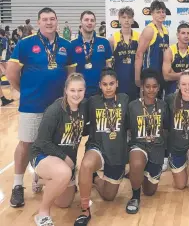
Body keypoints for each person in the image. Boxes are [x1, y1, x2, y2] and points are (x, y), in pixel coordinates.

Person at [7, 7, 76, 208]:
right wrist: (25, 90)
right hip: (32, 105)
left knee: (53, 144)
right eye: (45, 19)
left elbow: (71, 74)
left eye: (52, 19)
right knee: (26, 143)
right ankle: (18, 185)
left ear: (57, 21)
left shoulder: (66, 45)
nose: (49, 22)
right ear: (38, 22)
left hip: (58, 107)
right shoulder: (25, 44)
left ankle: (41, 176)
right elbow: (11, 72)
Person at [74, 68, 129, 226]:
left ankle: (95, 179)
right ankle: (85, 209)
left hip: (116, 153)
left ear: (117, 84)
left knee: (109, 196)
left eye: (111, 83)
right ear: (100, 85)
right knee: (86, 164)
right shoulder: (92, 102)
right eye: (105, 84)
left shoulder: (125, 100)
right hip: (97, 147)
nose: (108, 87)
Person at [30, 73, 87, 226]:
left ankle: (43, 179)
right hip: (42, 154)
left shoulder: (84, 108)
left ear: (85, 91)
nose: (76, 94)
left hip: (63, 161)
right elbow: (42, 141)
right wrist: (65, 158)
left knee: (64, 203)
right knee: (63, 174)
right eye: (72, 90)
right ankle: (42, 213)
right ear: (65, 90)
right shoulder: (54, 110)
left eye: (80, 90)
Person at [125, 69, 168, 214]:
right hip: (139, 145)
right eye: (148, 86)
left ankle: (139, 173)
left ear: (159, 88)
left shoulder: (163, 105)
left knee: (150, 191)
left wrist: (166, 154)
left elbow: (166, 129)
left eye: (154, 86)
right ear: (142, 87)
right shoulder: (132, 106)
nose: (151, 90)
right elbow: (128, 130)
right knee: (136, 163)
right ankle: (135, 197)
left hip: (156, 149)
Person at [71, 11, 112, 98]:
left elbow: (109, 67)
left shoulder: (104, 42)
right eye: (86, 20)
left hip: (100, 92)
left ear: (95, 23)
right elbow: (70, 72)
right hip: (80, 94)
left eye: (92, 20)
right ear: (81, 22)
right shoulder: (72, 44)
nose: (89, 22)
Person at [135, 0, 169, 90]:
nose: (161, 14)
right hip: (149, 74)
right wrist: (137, 77)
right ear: (152, 14)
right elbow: (139, 54)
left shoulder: (165, 31)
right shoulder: (149, 30)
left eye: (163, 12)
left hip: (162, 74)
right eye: (158, 12)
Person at [109, 7, 140, 101]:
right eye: (123, 17)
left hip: (134, 80)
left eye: (129, 17)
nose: (126, 20)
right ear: (119, 19)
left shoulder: (139, 37)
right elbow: (109, 62)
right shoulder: (112, 39)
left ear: (133, 19)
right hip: (119, 80)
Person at [163, 23, 189, 95]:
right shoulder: (169, 51)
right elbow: (166, 76)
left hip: (187, 91)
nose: (186, 36)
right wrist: (186, 74)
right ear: (177, 35)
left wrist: (174, 74)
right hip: (171, 90)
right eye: (183, 33)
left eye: (188, 33)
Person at [0, 28, 13, 106]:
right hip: (4, 60)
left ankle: (3, 99)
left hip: (4, 59)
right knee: (8, 74)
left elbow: (4, 50)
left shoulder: (3, 39)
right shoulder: (4, 39)